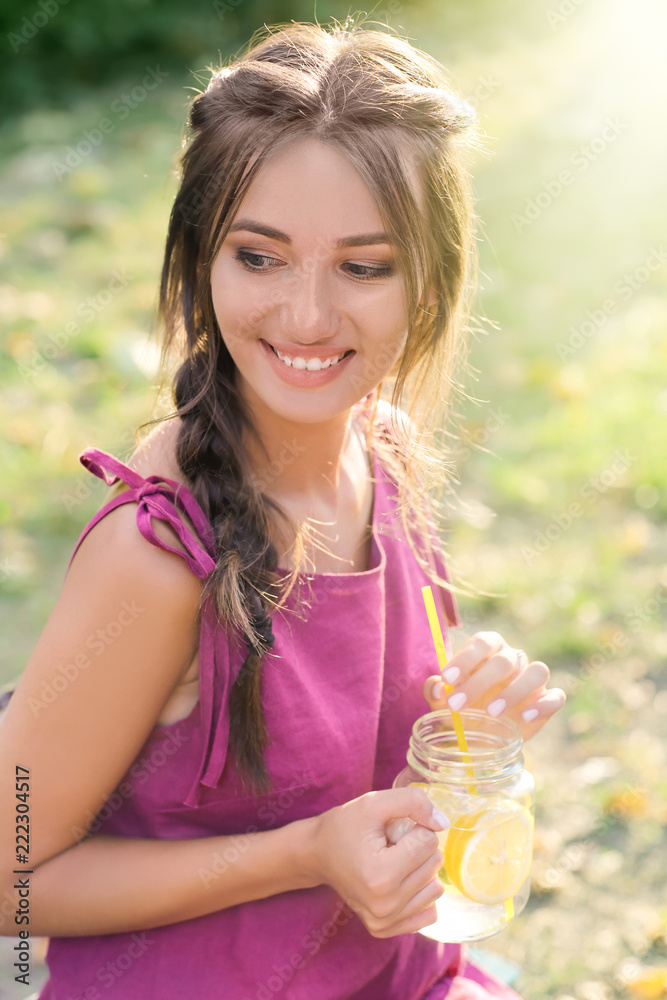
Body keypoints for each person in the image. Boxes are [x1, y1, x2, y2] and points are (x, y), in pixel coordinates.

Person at [0, 17, 566, 999]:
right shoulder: (156, 561)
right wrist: (303, 853)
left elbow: (367, 758)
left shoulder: (382, 455)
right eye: (258, 257)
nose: (306, 318)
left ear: (429, 282)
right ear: (199, 260)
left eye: (363, 265)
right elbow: (11, 880)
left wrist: (463, 726)